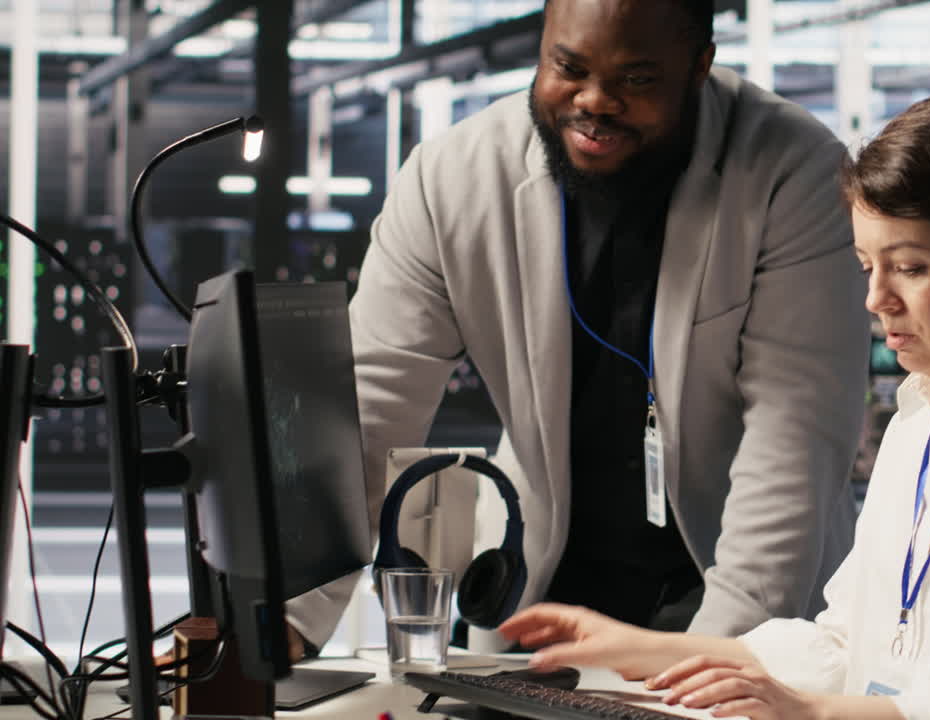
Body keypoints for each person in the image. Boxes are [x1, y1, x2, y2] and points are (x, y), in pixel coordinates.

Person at [498, 94, 930, 719]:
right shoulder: (918, 424)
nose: (876, 299)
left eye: (910, 268)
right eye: (869, 267)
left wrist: (812, 715)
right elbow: (845, 644)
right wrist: (645, 648)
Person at [285, 0, 869, 652]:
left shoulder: (794, 172)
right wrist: (289, 616)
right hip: (547, 587)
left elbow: (793, 444)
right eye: (569, 68)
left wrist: (714, 662)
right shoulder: (450, 179)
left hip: (735, 587)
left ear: (699, 66)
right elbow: (369, 408)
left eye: (636, 79)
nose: (595, 101)